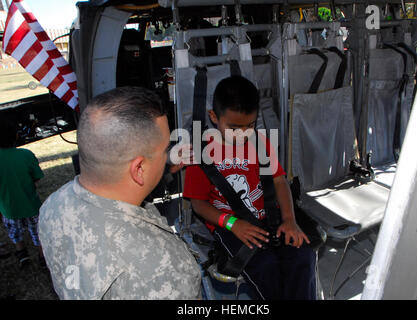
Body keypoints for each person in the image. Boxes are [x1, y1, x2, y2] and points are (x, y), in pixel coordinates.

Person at [38, 87, 201, 300]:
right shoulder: (162, 265)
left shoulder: (53, 205)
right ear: (139, 168)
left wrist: (162, 164)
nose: (168, 154)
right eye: (165, 150)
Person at [183, 76, 317, 300]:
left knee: (303, 257)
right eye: (234, 128)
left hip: (268, 218)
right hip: (228, 224)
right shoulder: (202, 152)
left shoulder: (259, 142)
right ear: (214, 117)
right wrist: (233, 224)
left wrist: (289, 220)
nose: (243, 134)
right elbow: (198, 203)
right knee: (265, 265)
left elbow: (279, 181)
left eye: (250, 125)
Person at [0, 118, 45, 268]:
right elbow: (37, 177)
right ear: (16, 136)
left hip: (8, 209)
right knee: (38, 233)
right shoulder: (26, 154)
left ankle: (22, 254)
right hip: (32, 205)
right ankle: (42, 257)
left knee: (15, 233)